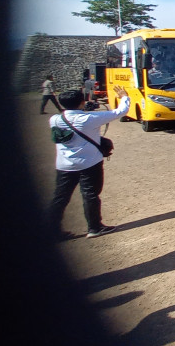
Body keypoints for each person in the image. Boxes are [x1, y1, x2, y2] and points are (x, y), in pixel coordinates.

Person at [49, 86, 131, 239]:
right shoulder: (88, 118)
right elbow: (120, 112)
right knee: (90, 194)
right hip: (89, 163)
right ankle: (94, 227)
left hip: (64, 164)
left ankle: (52, 230)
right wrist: (124, 97)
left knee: (60, 197)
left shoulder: (54, 120)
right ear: (81, 102)